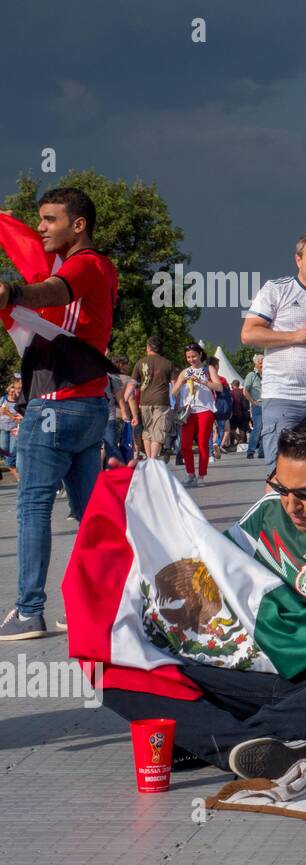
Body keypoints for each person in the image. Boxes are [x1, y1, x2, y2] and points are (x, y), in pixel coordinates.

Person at [102, 419, 306, 787]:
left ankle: (209, 739)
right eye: (281, 488)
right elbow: (208, 571)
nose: (291, 505)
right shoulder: (267, 512)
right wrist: (137, 503)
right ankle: (249, 744)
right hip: (264, 672)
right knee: (117, 673)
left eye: (305, 493)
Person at [0, 188, 119, 641]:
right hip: (89, 408)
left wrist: (12, 293)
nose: (42, 228)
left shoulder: (84, 266)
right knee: (90, 513)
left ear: (79, 225)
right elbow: (46, 275)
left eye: (50, 219)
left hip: (54, 405)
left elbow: (52, 288)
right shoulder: (103, 269)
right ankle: (95, 606)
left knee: (33, 508)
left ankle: (30, 610)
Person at [239, 233, 306, 477]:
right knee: (279, 475)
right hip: (283, 396)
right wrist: (296, 336)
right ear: (298, 260)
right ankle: (273, 515)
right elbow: (248, 334)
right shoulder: (276, 290)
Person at [170, 344, 222, 487]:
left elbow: (219, 387)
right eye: (188, 357)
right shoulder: (185, 372)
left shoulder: (208, 369)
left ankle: (201, 476)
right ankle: (190, 474)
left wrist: (204, 382)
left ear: (200, 355)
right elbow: (173, 393)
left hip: (205, 409)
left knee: (202, 444)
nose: (191, 359)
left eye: (193, 356)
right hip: (188, 411)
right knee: (185, 444)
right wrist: (180, 383)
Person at [131, 336, 177, 461]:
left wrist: (125, 398)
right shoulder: (168, 363)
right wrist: (177, 403)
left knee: (147, 430)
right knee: (158, 431)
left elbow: (132, 384)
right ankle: (153, 459)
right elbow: (175, 386)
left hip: (144, 402)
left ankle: (149, 458)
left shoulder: (140, 362)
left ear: (148, 347)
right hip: (162, 402)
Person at [243, 354, 264, 459]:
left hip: (268, 405)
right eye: (260, 362)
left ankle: (262, 452)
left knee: (266, 429)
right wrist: (253, 401)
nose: (262, 364)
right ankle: (250, 451)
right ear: (255, 363)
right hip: (258, 405)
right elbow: (245, 391)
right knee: (258, 427)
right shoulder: (251, 375)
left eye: (263, 361)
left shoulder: (268, 374)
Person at [0, 379, 23, 472]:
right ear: (8, 392)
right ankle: (10, 465)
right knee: (3, 449)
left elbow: (17, 418)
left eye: (15, 391)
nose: (13, 393)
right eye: (12, 391)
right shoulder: (2, 400)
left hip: (14, 429)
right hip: (3, 428)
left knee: (12, 450)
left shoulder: (19, 402)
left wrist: (8, 413)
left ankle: (14, 469)